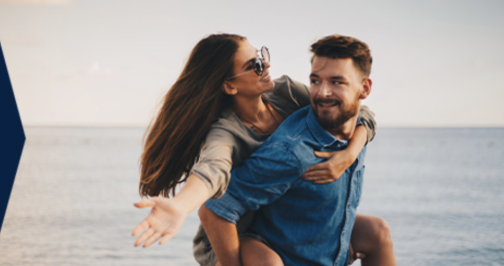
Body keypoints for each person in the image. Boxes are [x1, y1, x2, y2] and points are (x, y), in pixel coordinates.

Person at [131, 34, 394, 265]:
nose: (265, 66)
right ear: (230, 86)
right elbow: (212, 172)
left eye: (261, 56)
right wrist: (179, 206)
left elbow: (357, 113)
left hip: (278, 217)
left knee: (376, 231)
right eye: (254, 65)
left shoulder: (288, 93)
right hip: (233, 234)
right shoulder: (226, 132)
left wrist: (348, 156)